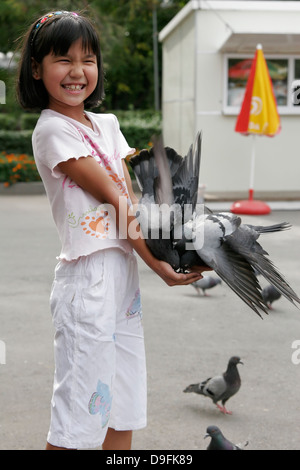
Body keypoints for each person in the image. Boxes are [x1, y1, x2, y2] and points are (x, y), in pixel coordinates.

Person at [17, 10, 206, 450]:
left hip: (122, 278)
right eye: (63, 59)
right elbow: (117, 202)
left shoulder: (107, 125)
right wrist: (159, 264)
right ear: (36, 69)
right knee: (79, 417)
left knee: (121, 404)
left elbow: (137, 197)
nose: (78, 71)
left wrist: (181, 237)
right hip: (88, 280)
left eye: (88, 59)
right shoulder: (52, 130)